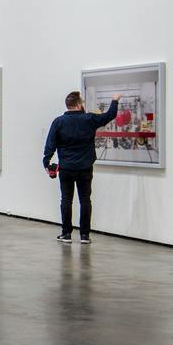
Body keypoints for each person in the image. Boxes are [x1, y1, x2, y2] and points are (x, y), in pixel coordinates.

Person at [41, 90, 120, 244]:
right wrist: (115, 100)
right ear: (78, 104)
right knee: (85, 200)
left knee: (66, 200)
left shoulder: (58, 122)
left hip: (66, 168)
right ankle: (84, 235)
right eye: (82, 102)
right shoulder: (89, 119)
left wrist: (46, 163)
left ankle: (66, 234)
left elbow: (50, 144)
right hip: (85, 168)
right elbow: (109, 115)